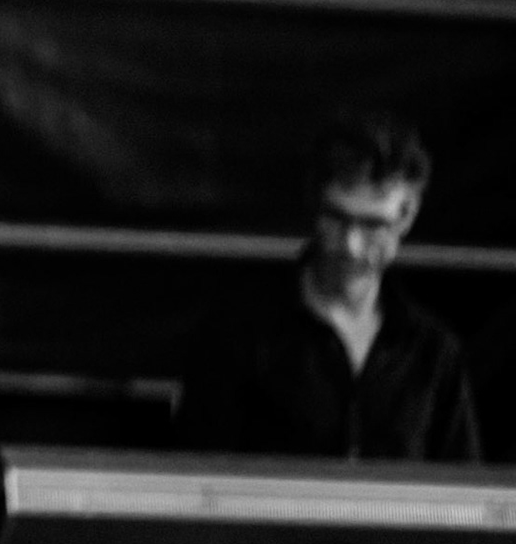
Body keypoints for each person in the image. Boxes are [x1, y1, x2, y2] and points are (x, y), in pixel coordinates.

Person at [176, 114, 480, 460]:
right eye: (337, 218)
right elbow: (198, 484)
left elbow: (463, 496)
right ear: (314, 205)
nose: (350, 244)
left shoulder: (434, 353)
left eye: (372, 225)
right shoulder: (238, 334)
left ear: (406, 216)